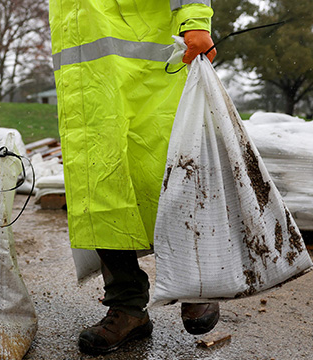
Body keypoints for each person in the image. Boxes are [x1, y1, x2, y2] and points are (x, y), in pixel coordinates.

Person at [48, 0, 219, 355]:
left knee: (166, 176)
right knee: (103, 194)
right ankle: (127, 309)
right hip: (88, 86)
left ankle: (195, 282)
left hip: (151, 74)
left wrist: (195, 19)